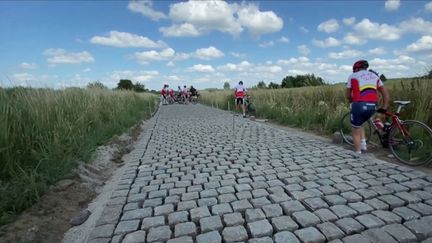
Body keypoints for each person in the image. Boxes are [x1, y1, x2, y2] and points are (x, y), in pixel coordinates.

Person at [346, 60, 390, 154]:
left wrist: (351, 100)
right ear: (366, 68)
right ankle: (364, 146)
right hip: (372, 106)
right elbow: (385, 93)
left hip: (359, 105)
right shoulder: (375, 76)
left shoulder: (352, 76)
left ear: (356, 69)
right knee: (361, 123)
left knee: (356, 130)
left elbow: (348, 95)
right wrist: (384, 107)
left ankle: (357, 153)